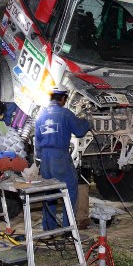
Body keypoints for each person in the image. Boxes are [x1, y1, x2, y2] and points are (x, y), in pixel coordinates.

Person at [35, 85, 90, 230]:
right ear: (64, 98)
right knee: (70, 190)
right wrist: (87, 121)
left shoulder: (40, 115)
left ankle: (49, 227)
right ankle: (68, 228)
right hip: (60, 156)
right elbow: (79, 131)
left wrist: (43, 158)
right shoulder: (65, 113)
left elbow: (37, 143)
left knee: (49, 192)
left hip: (45, 159)